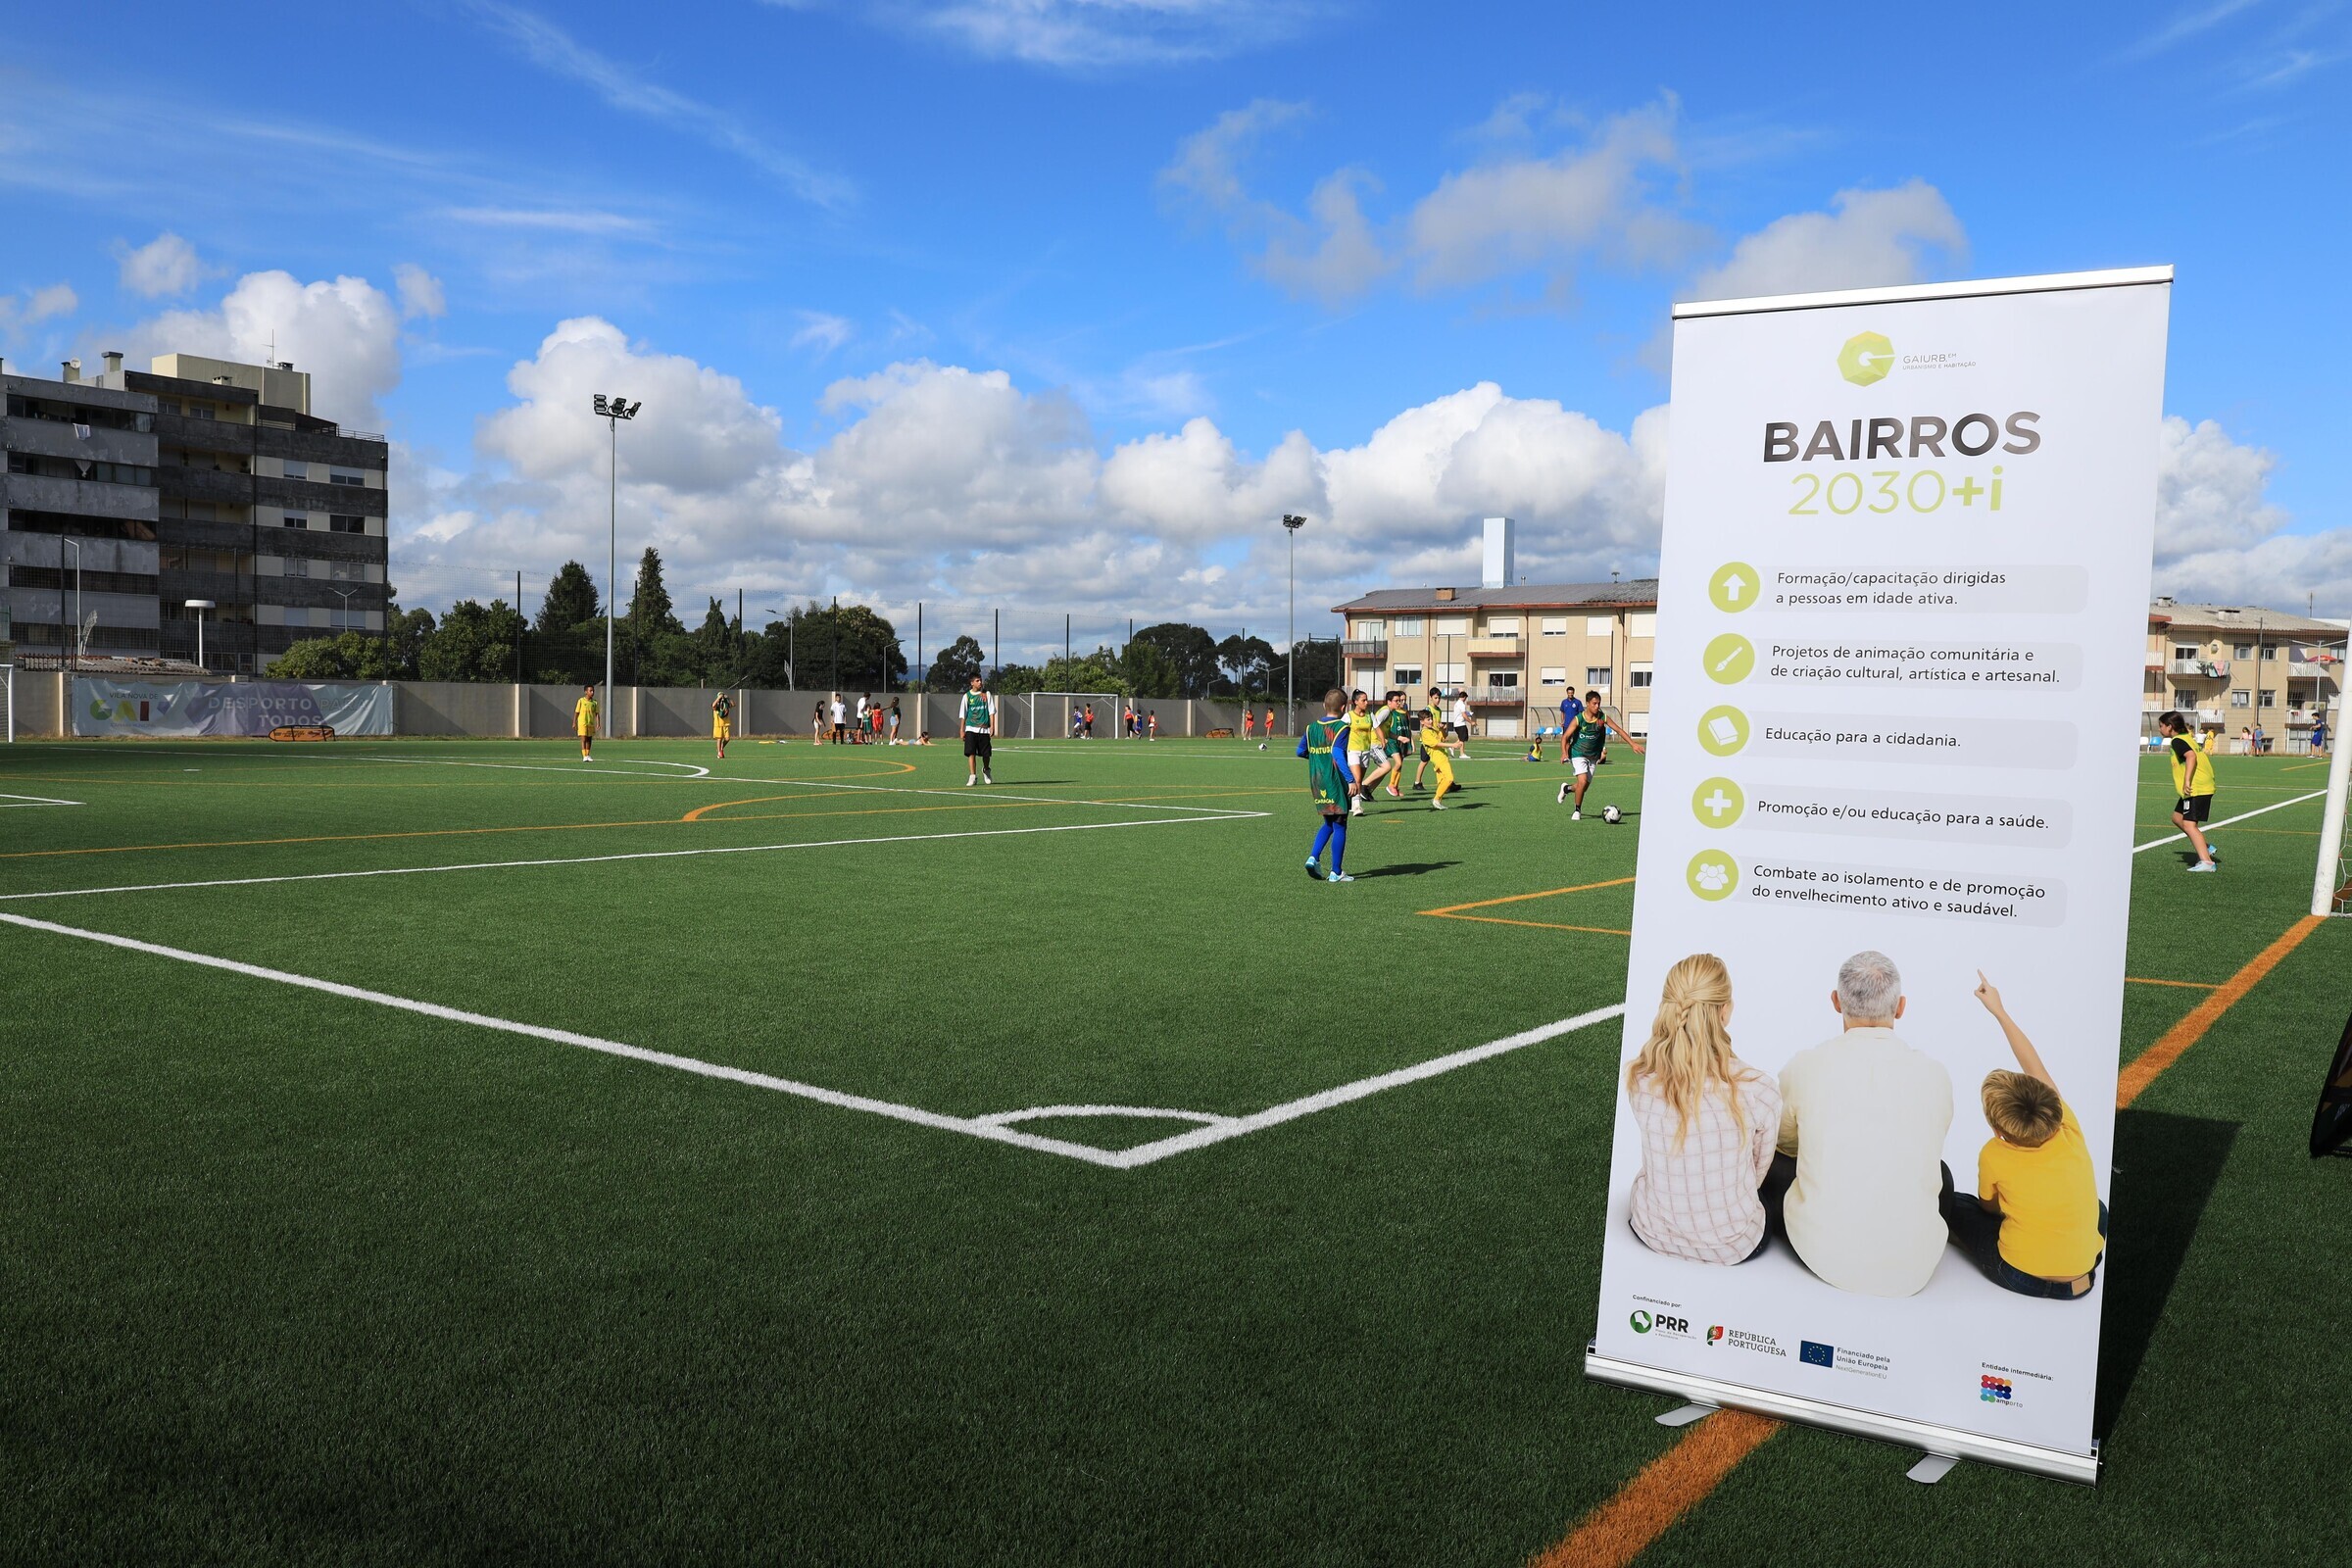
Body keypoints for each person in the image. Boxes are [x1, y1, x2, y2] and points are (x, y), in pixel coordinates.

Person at [1762, 951, 1953, 1298]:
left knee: (1771, 1163)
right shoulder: (1935, 1074)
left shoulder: (1807, 1065)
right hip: (1916, 1265)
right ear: (1900, 1007)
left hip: (1822, 1254)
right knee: (1942, 1172)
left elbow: (1784, 1142)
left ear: (1836, 1002)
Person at [1939, 973, 2108, 1299]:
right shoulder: (2067, 1127)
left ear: (1997, 1130)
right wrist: (2000, 1011)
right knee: (2098, 1208)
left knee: (1957, 1202)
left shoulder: (1994, 1153)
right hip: (2086, 1275)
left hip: (2021, 1275)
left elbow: (1989, 1210)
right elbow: (2033, 1063)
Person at [1625, 955, 1784, 1265]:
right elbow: (1758, 1171)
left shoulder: (1639, 1080)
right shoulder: (1759, 1089)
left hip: (1652, 1233)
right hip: (1734, 1245)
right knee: (1781, 1171)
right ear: (1725, 1011)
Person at [1298, 688, 1356, 882]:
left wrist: (1317, 757)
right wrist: (1350, 779)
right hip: (1334, 780)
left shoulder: (1310, 727)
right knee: (1340, 824)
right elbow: (1338, 754)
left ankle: (1313, 857)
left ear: (1324, 705)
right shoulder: (1342, 727)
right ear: (1344, 707)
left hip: (1317, 780)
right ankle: (1336, 872)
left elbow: (1300, 751)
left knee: (1329, 822)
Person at [1555, 692, 1644, 817]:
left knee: (1583, 787)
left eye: (1599, 703)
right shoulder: (1578, 719)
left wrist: (1633, 744)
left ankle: (1566, 789)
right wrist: (1564, 753)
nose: (1597, 706)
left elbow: (1618, 730)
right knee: (1582, 781)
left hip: (1593, 756)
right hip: (1578, 753)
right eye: (1594, 703)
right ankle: (1577, 811)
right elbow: (1565, 737)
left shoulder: (1602, 718)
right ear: (1587, 704)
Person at [2157, 710, 2219, 871]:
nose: (2159, 729)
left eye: (2161, 726)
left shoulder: (2177, 741)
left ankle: (2207, 863)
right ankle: (2205, 847)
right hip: (2196, 787)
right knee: (2177, 818)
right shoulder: (2186, 737)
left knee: (2190, 825)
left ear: (2170, 727)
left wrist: (2187, 780)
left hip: (2195, 788)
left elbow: (2191, 756)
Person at [1342, 691, 1385, 817]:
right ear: (1356, 702)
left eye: (1367, 700)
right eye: (1363, 700)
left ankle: (1350, 801)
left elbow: (1377, 728)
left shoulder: (1369, 715)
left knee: (1358, 782)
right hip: (1353, 751)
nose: (1366, 702)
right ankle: (1357, 806)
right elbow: (1339, 731)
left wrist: (1382, 740)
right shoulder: (1348, 716)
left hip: (1366, 751)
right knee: (1358, 779)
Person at [1418, 700, 1463, 808]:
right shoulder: (1425, 733)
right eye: (1428, 719)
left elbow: (1443, 738)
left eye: (1431, 719)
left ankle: (1438, 801)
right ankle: (1436, 799)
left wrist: (1442, 730)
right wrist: (1453, 745)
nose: (1430, 721)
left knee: (1442, 780)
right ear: (1422, 722)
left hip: (1442, 757)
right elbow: (1437, 743)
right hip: (1438, 759)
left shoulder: (1433, 729)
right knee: (1449, 778)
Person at [960, 674, 998, 786]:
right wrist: (962, 729)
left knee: (986, 754)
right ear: (972, 683)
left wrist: (992, 726)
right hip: (971, 728)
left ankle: (986, 770)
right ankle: (973, 776)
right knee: (971, 753)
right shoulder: (967, 696)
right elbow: (963, 714)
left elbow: (992, 711)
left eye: (981, 680)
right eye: (977, 680)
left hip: (984, 730)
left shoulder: (986, 694)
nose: (980, 682)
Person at [1556, 689, 1586, 764]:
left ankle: (1577, 756)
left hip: (1576, 725)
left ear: (1573, 693)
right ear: (1567, 693)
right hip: (1566, 725)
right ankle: (1567, 756)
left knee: (1577, 741)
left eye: (1572, 693)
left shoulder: (1577, 702)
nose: (1570, 694)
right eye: (1569, 693)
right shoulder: (1564, 702)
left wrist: (1581, 722)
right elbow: (1562, 712)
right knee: (1566, 740)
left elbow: (1581, 713)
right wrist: (1563, 721)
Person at [574, 684, 599, 761]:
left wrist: (598, 723)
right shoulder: (581, 700)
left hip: (590, 723)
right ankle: (584, 755)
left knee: (589, 739)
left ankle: (588, 755)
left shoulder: (594, 702)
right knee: (584, 739)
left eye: (593, 691)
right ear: (586, 692)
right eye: (590, 691)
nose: (592, 692)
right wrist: (574, 722)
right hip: (582, 723)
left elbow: (597, 713)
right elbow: (577, 712)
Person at [710, 690, 732, 760]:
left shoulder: (726, 704)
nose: (722, 697)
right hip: (718, 724)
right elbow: (713, 705)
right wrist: (718, 698)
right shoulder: (717, 704)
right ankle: (719, 753)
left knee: (727, 739)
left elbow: (733, 704)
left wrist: (728, 698)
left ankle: (721, 748)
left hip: (725, 724)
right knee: (719, 738)